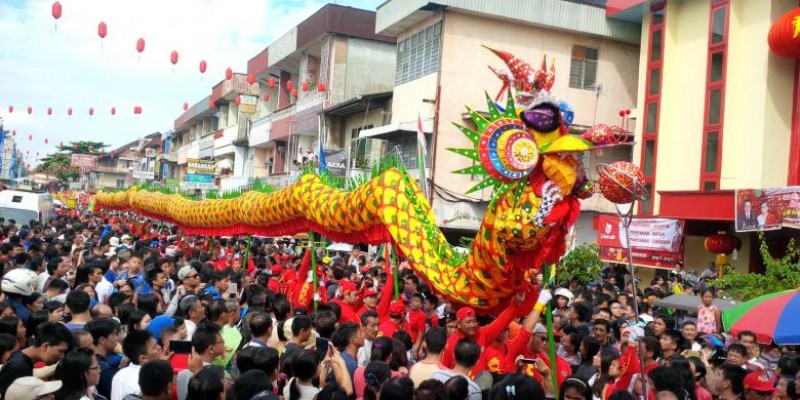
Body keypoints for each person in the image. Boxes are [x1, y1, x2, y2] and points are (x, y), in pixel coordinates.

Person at [0, 321, 74, 398]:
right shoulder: (18, 366)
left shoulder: (24, 361)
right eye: (60, 351)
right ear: (45, 346)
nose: (62, 356)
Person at [176, 322, 226, 400]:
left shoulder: (181, 374)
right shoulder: (221, 375)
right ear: (211, 349)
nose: (224, 344)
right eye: (222, 342)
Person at [110, 330, 163, 400]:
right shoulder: (147, 382)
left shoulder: (119, 375)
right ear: (143, 358)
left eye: (157, 344)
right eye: (154, 347)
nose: (159, 347)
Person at [87, 318, 123, 400]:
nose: (117, 338)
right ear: (102, 340)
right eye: (114, 334)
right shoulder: (103, 369)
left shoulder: (94, 362)